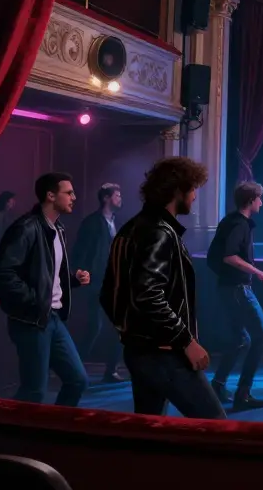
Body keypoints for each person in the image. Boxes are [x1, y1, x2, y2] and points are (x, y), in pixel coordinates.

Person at [100, 157, 224, 419]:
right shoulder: (160, 232)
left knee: (149, 433)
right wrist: (186, 341)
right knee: (217, 429)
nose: (194, 197)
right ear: (178, 191)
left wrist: (131, 333)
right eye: (193, 190)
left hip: (138, 351)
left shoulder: (130, 228)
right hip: (165, 353)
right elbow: (148, 295)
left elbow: (109, 294)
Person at [0, 173, 91, 406]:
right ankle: (15, 437)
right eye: (69, 193)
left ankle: (56, 433)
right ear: (50, 195)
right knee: (34, 391)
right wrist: (33, 301)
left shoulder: (58, 229)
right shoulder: (26, 227)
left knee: (78, 381)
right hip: (32, 320)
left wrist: (72, 279)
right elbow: (0, 273)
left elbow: (46, 272)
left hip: (53, 318)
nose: (74, 197)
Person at [207, 181, 263, 411]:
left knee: (239, 340)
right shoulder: (239, 224)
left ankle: (217, 385)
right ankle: (243, 394)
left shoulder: (230, 220)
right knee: (262, 337)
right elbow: (229, 256)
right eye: (260, 198)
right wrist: (258, 271)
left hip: (228, 288)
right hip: (237, 289)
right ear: (251, 200)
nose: (262, 203)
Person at [72, 183, 124, 384]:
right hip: (96, 282)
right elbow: (81, 252)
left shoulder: (113, 221)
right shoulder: (92, 222)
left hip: (111, 281)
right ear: (106, 198)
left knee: (119, 327)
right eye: (117, 195)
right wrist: (81, 274)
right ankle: (74, 369)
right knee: (94, 326)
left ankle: (110, 371)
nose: (120, 198)